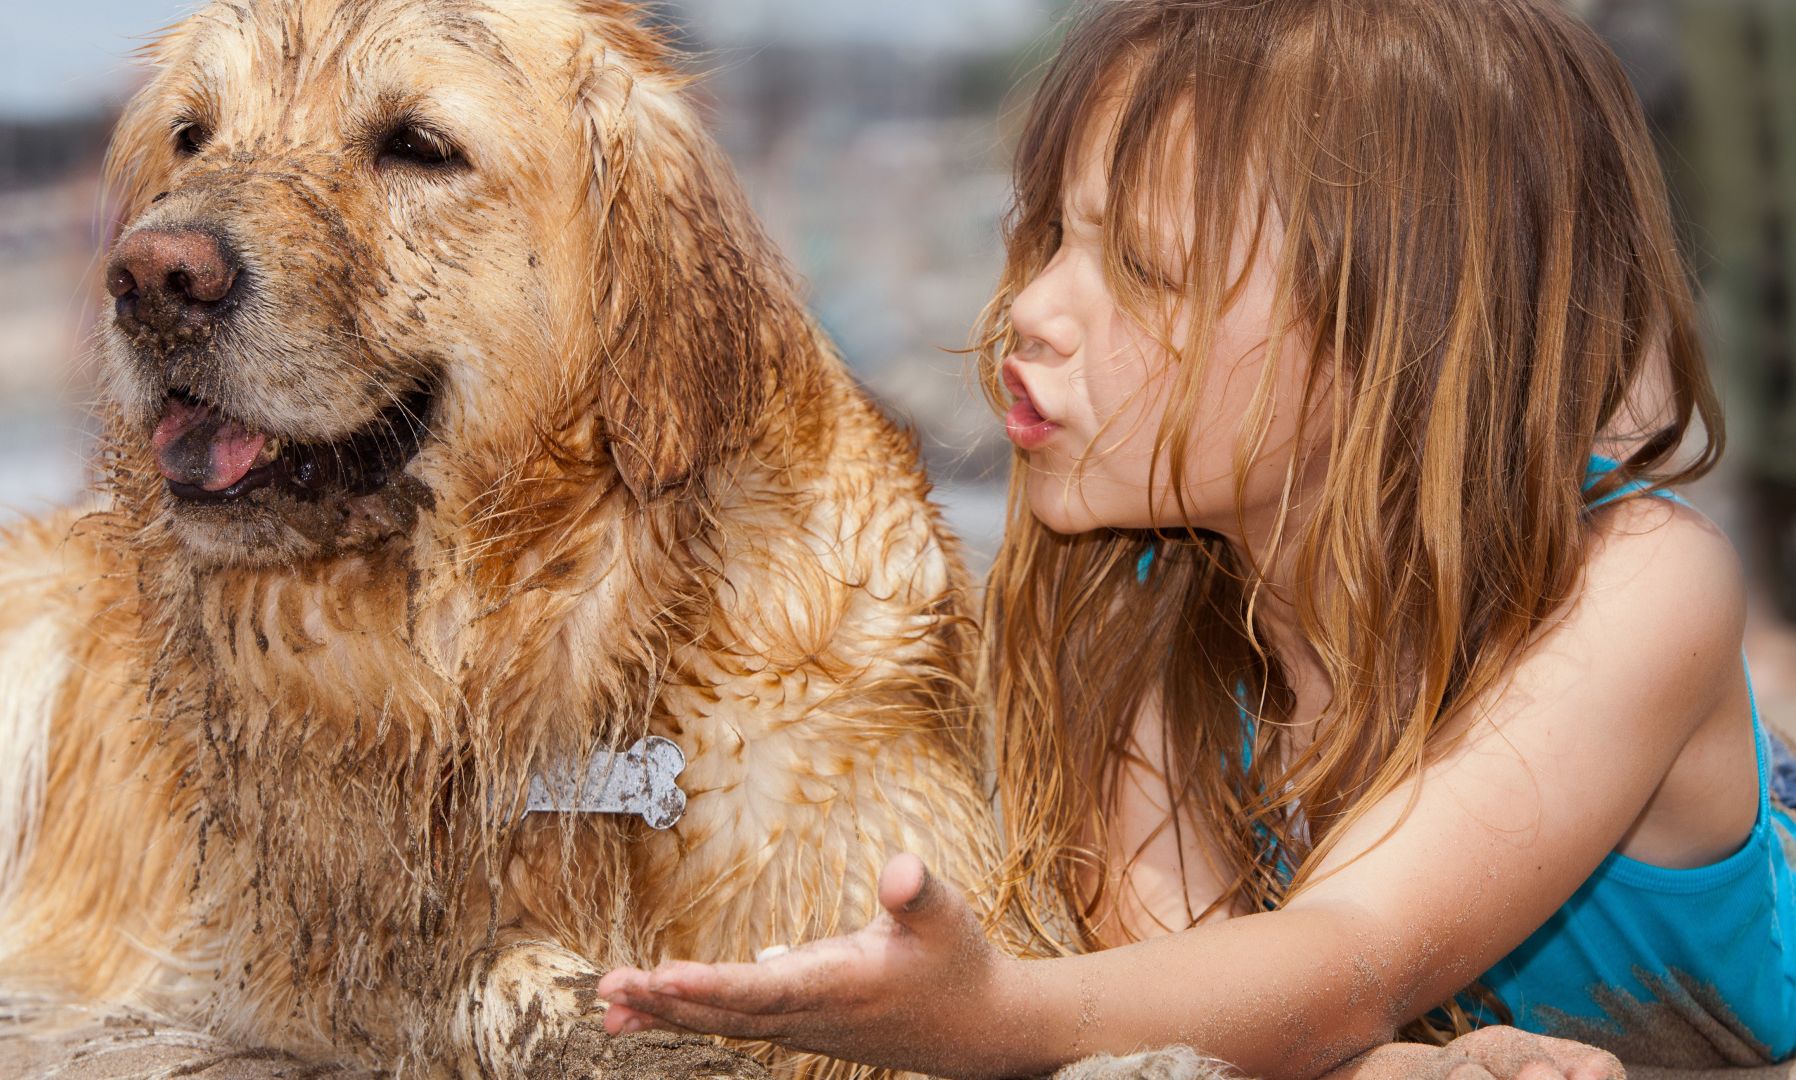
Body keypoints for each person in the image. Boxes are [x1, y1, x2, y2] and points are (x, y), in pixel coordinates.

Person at [599, 1, 1795, 1077]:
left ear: (1398, 336)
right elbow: (1199, 993)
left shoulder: (1636, 583)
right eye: (1050, 237)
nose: (1032, 308)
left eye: (1141, 268)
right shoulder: (1140, 595)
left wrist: (989, 1015)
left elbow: (1351, 955)